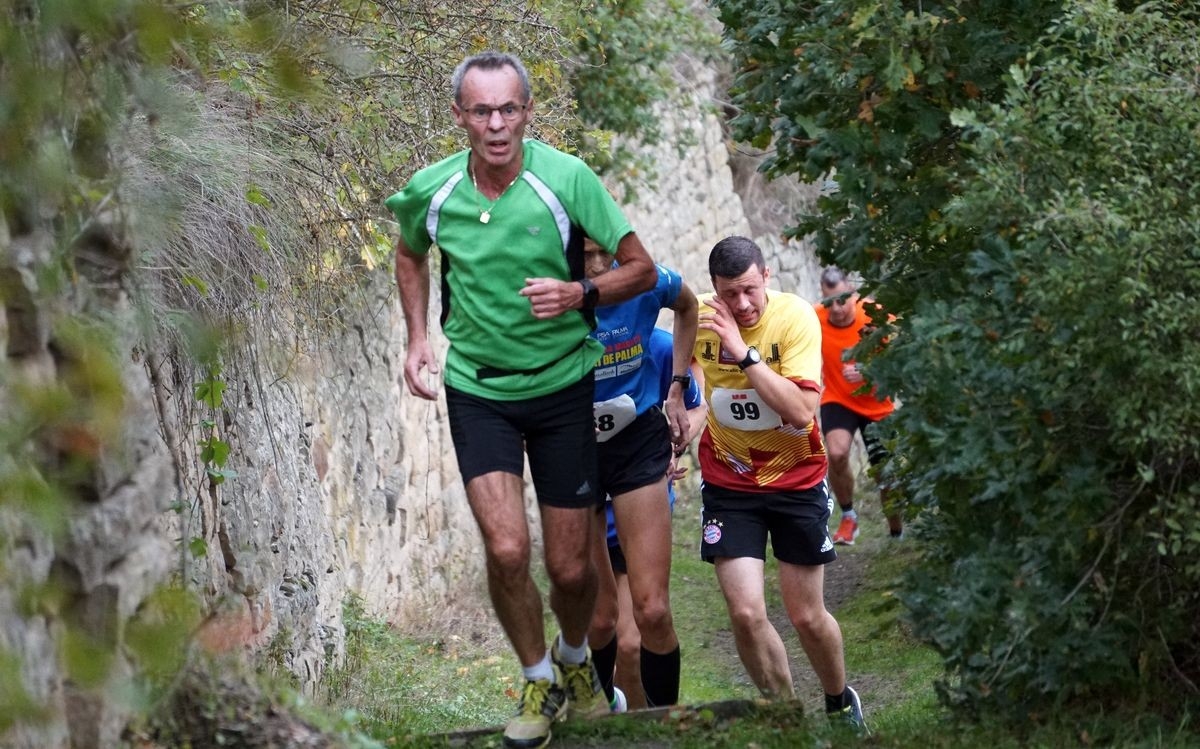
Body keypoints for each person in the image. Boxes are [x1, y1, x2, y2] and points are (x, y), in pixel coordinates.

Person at [385, 51, 664, 749]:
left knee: (571, 567)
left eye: (509, 108)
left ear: (527, 112)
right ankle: (538, 674)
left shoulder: (565, 178)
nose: (497, 124)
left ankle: (574, 658)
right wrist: (418, 337)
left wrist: (580, 292)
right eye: (481, 111)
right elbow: (409, 251)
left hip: (564, 384)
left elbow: (643, 268)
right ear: (459, 117)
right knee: (507, 547)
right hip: (478, 388)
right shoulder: (434, 189)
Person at [690, 236, 866, 731]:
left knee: (806, 616)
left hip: (797, 480)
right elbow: (688, 370)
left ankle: (838, 700)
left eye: (749, 290)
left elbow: (801, 409)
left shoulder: (793, 318)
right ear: (714, 289)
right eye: (729, 294)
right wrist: (682, 409)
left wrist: (743, 355)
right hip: (731, 482)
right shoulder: (702, 316)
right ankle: (789, 719)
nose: (741, 304)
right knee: (745, 613)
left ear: (766, 277)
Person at [580, 240, 698, 712]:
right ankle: (606, 710)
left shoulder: (646, 279)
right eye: (580, 254)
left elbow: (688, 307)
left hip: (637, 443)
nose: (593, 267)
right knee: (602, 619)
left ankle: (667, 723)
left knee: (652, 609)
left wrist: (678, 385)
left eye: (600, 253)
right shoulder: (549, 295)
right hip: (571, 448)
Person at [602, 327, 707, 711]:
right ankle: (609, 706)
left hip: (639, 513)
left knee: (630, 642)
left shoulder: (659, 346)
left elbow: (698, 407)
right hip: (588, 511)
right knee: (597, 629)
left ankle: (646, 725)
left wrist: (675, 440)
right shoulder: (564, 343)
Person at [814, 267, 902, 544]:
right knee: (837, 454)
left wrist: (871, 370)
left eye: (842, 300)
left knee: (885, 472)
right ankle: (849, 516)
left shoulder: (876, 315)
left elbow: (903, 358)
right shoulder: (814, 318)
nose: (836, 308)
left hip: (877, 405)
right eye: (830, 301)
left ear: (854, 295)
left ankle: (896, 532)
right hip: (838, 399)